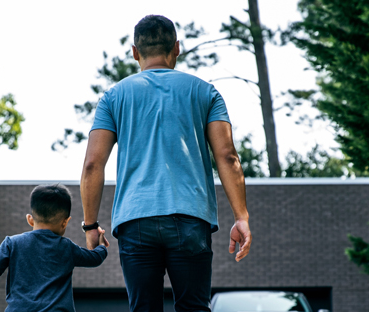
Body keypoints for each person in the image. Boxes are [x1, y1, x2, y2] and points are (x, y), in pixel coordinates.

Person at [79, 14, 252, 312]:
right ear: (177, 47)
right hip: (190, 218)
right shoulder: (205, 92)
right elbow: (228, 157)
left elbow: (93, 165)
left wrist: (91, 225)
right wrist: (241, 217)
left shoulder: (113, 97)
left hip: (135, 220)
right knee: (194, 308)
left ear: (135, 52)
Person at [0, 184, 109, 312]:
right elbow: (94, 258)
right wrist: (101, 245)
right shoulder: (67, 247)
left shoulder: (12, 243)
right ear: (65, 222)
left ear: (30, 219)